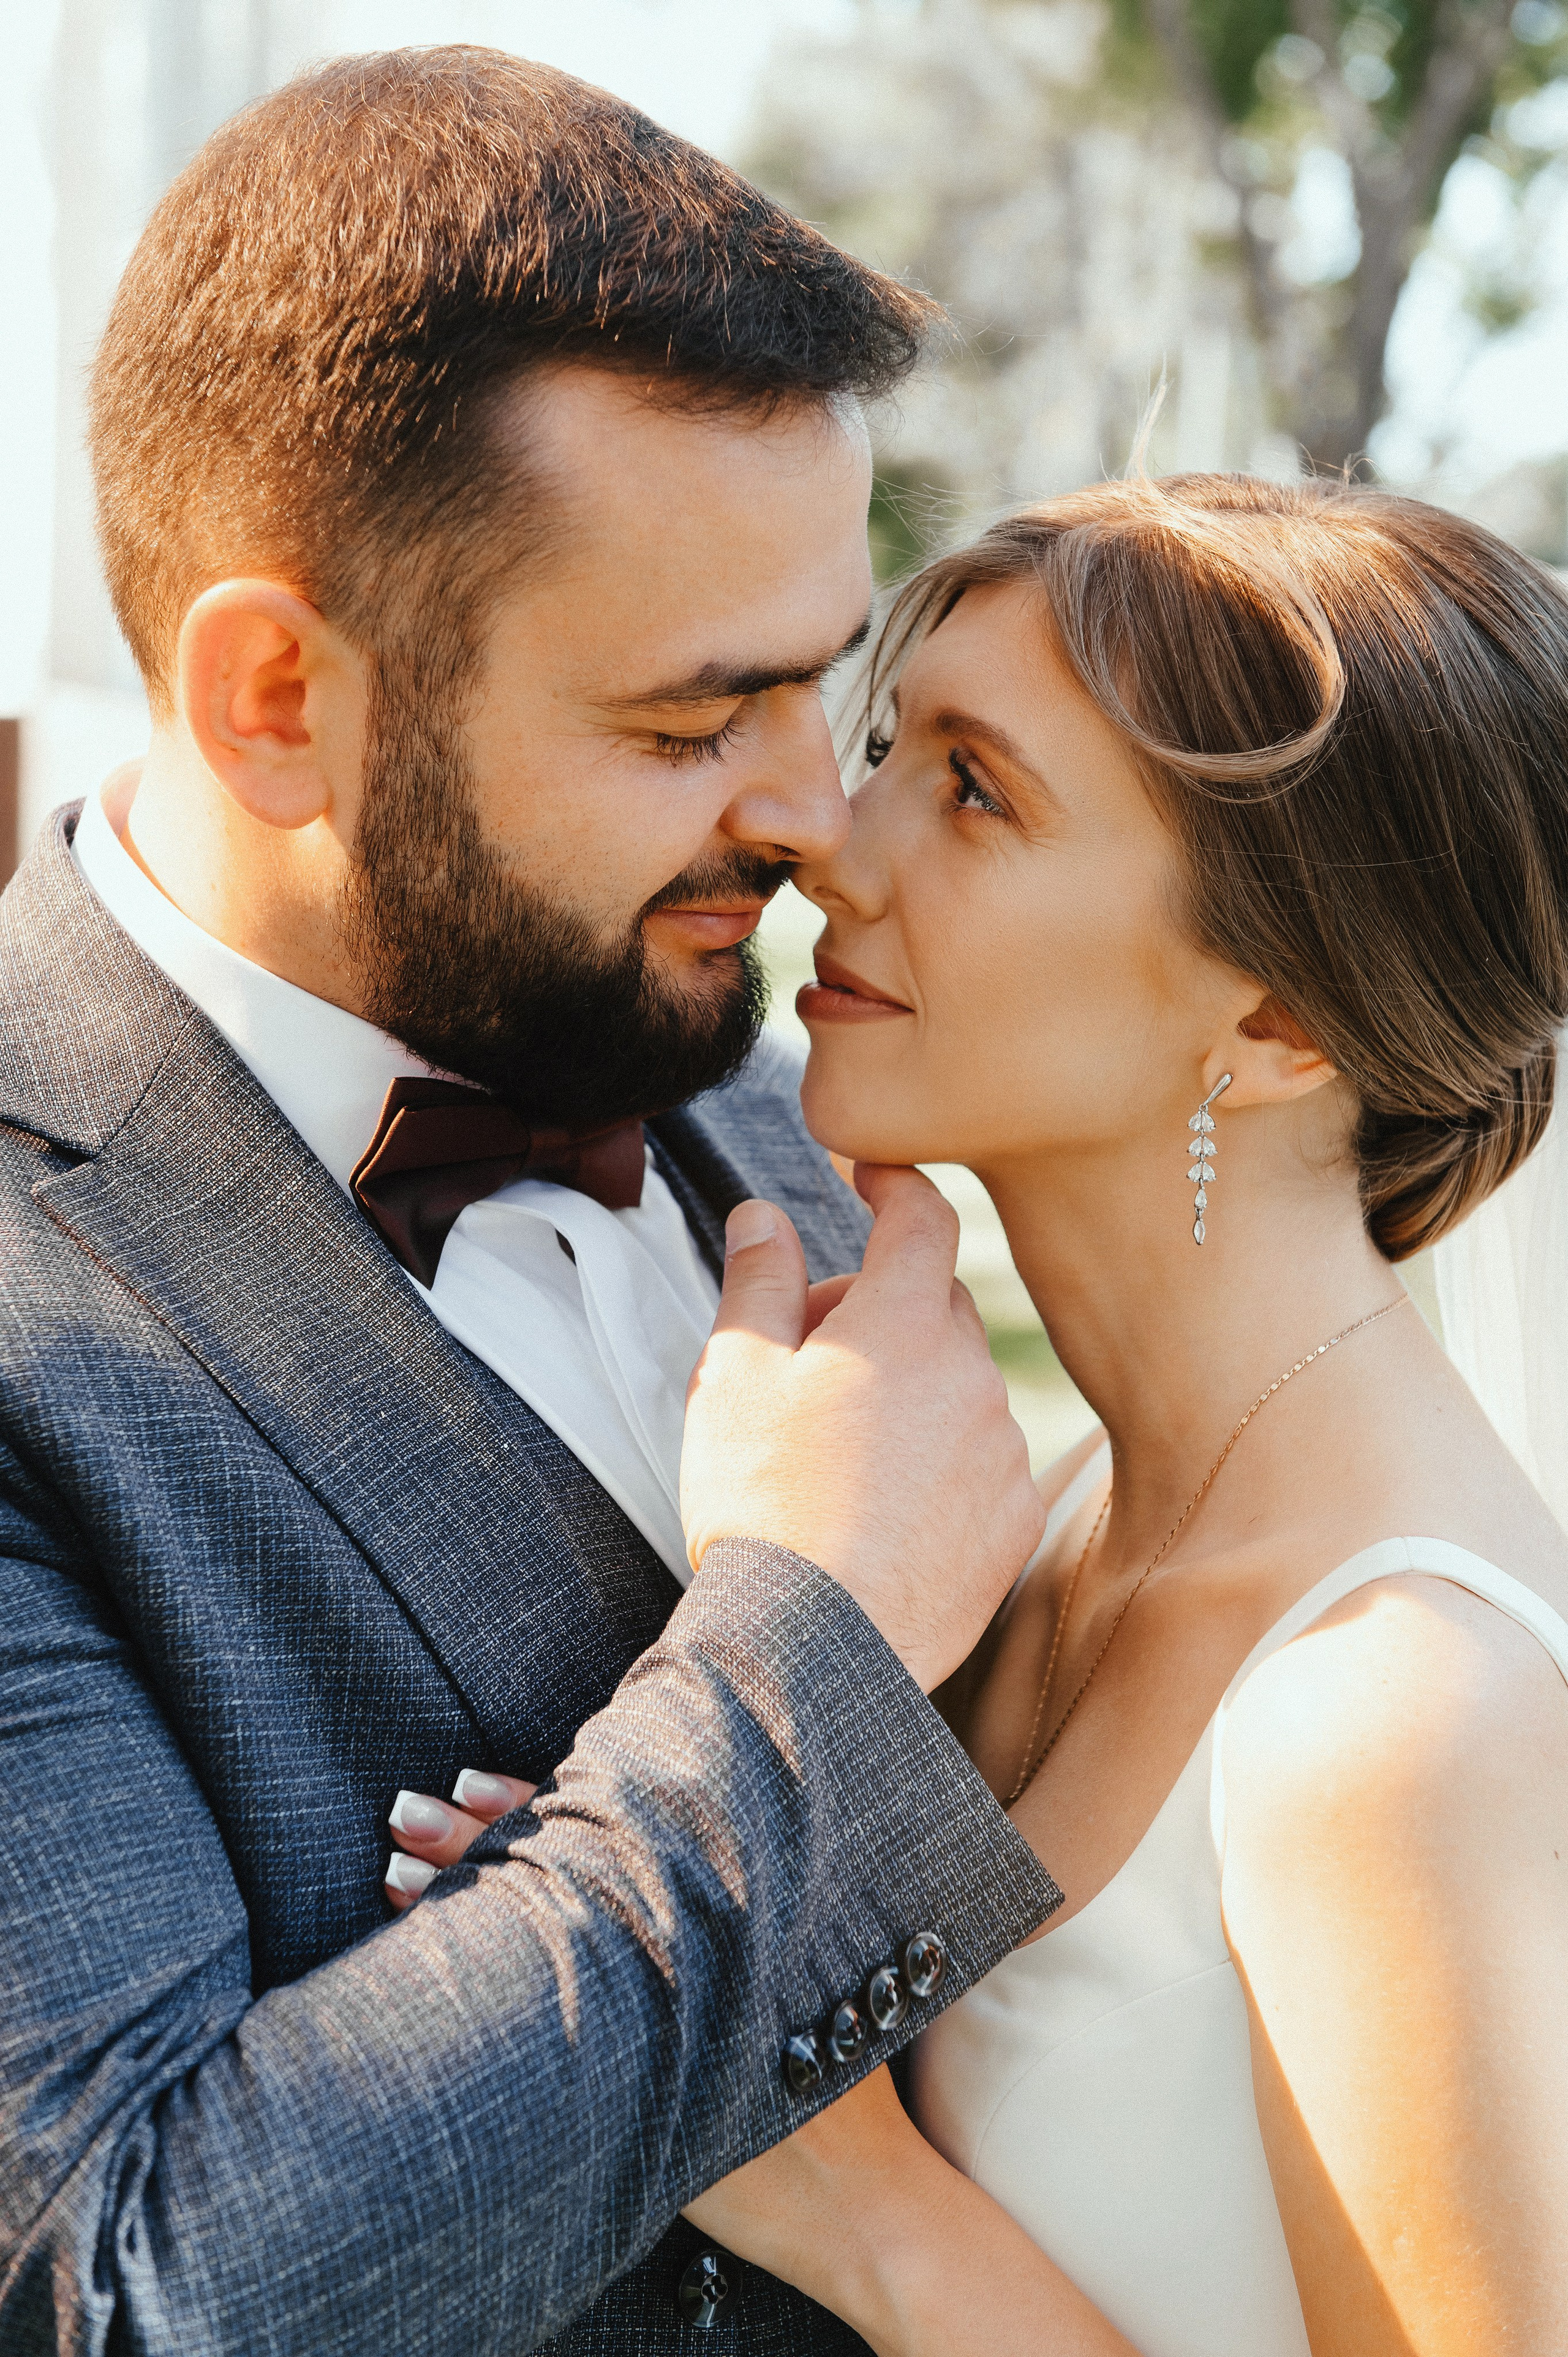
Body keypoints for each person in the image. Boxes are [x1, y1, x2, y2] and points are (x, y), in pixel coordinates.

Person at [0, 48, 1059, 2357]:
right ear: (280, 695)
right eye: (696, 726)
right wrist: (816, 1638)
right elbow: (140, 2290)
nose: (816, 820)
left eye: (829, 691)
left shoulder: (781, 1121)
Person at [391, 473, 1568, 2353]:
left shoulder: (1393, 1717)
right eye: (893, 748)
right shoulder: (1064, 1514)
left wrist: (860, 2206)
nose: (833, 853)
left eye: (975, 792)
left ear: (1277, 1030)